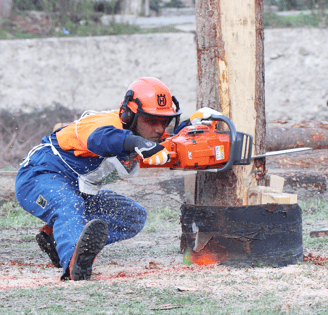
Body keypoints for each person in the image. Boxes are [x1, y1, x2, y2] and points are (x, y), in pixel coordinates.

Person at [15, 77, 219, 281]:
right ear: (129, 115)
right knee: (69, 204)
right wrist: (137, 143)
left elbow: (171, 141)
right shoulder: (105, 123)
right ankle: (74, 265)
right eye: (151, 120)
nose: (158, 129)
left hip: (76, 190)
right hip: (38, 176)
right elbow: (101, 139)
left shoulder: (147, 137)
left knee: (132, 216)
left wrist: (193, 126)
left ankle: (56, 238)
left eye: (164, 121)